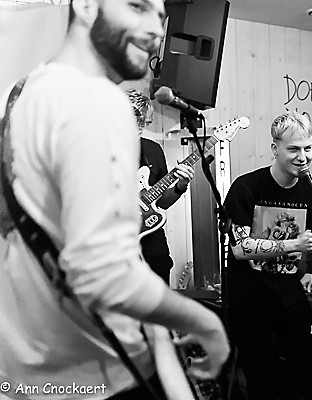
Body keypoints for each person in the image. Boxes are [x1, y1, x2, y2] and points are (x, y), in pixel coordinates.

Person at [0, 1, 229, 399]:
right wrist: (204, 322)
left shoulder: (19, 95)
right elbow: (102, 273)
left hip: (29, 372)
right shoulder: (98, 101)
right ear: (86, 5)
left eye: (160, 15)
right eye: (137, 6)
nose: (156, 28)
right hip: (102, 367)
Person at [223, 111, 312, 400]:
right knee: (262, 379)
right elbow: (240, 248)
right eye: (293, 149)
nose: (303, 157)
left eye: (307, 148)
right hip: (250, 298)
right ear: (275, 149)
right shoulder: (247, 187)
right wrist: (294, 244)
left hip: (288, 294)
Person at [126, 89, 195, 284]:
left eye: (146, 123)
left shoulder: (153, 150)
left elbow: (161, 202)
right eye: (138, 121)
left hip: (153, 246)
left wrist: (180, 186)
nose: (142, 127)